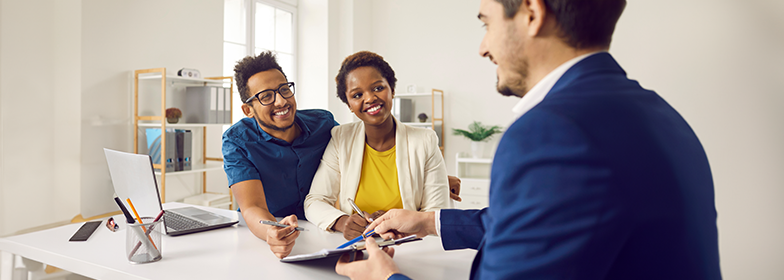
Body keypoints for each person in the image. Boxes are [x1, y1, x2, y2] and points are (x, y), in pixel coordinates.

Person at [335, 0, 722, 279]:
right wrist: (428, 221)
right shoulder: (660, 115)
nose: (483, 47)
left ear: (532, 14)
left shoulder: (552, 133)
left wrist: (386, 279)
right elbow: (543, 220)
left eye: (486, 23)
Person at [222, 51, 463, 258]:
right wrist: (271, 232)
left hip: (327, 231)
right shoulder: (237, 141)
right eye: (266, 96)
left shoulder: (324, 125)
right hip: (273, 230)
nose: (281, 100)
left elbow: (363, 146)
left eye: (284, 89)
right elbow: (252, 206)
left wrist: (435, 176)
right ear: (248, 109)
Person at [304, 51, 450, 240]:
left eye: (378, 88)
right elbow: (315, 201)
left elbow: (437, 212)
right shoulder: (341, 138)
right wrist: (343, 222)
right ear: (349, 104)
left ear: (392, 90)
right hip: (359, 247)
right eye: (357, 94)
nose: (370, 98)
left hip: (410, 248)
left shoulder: (425, 140)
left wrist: (398, 223)